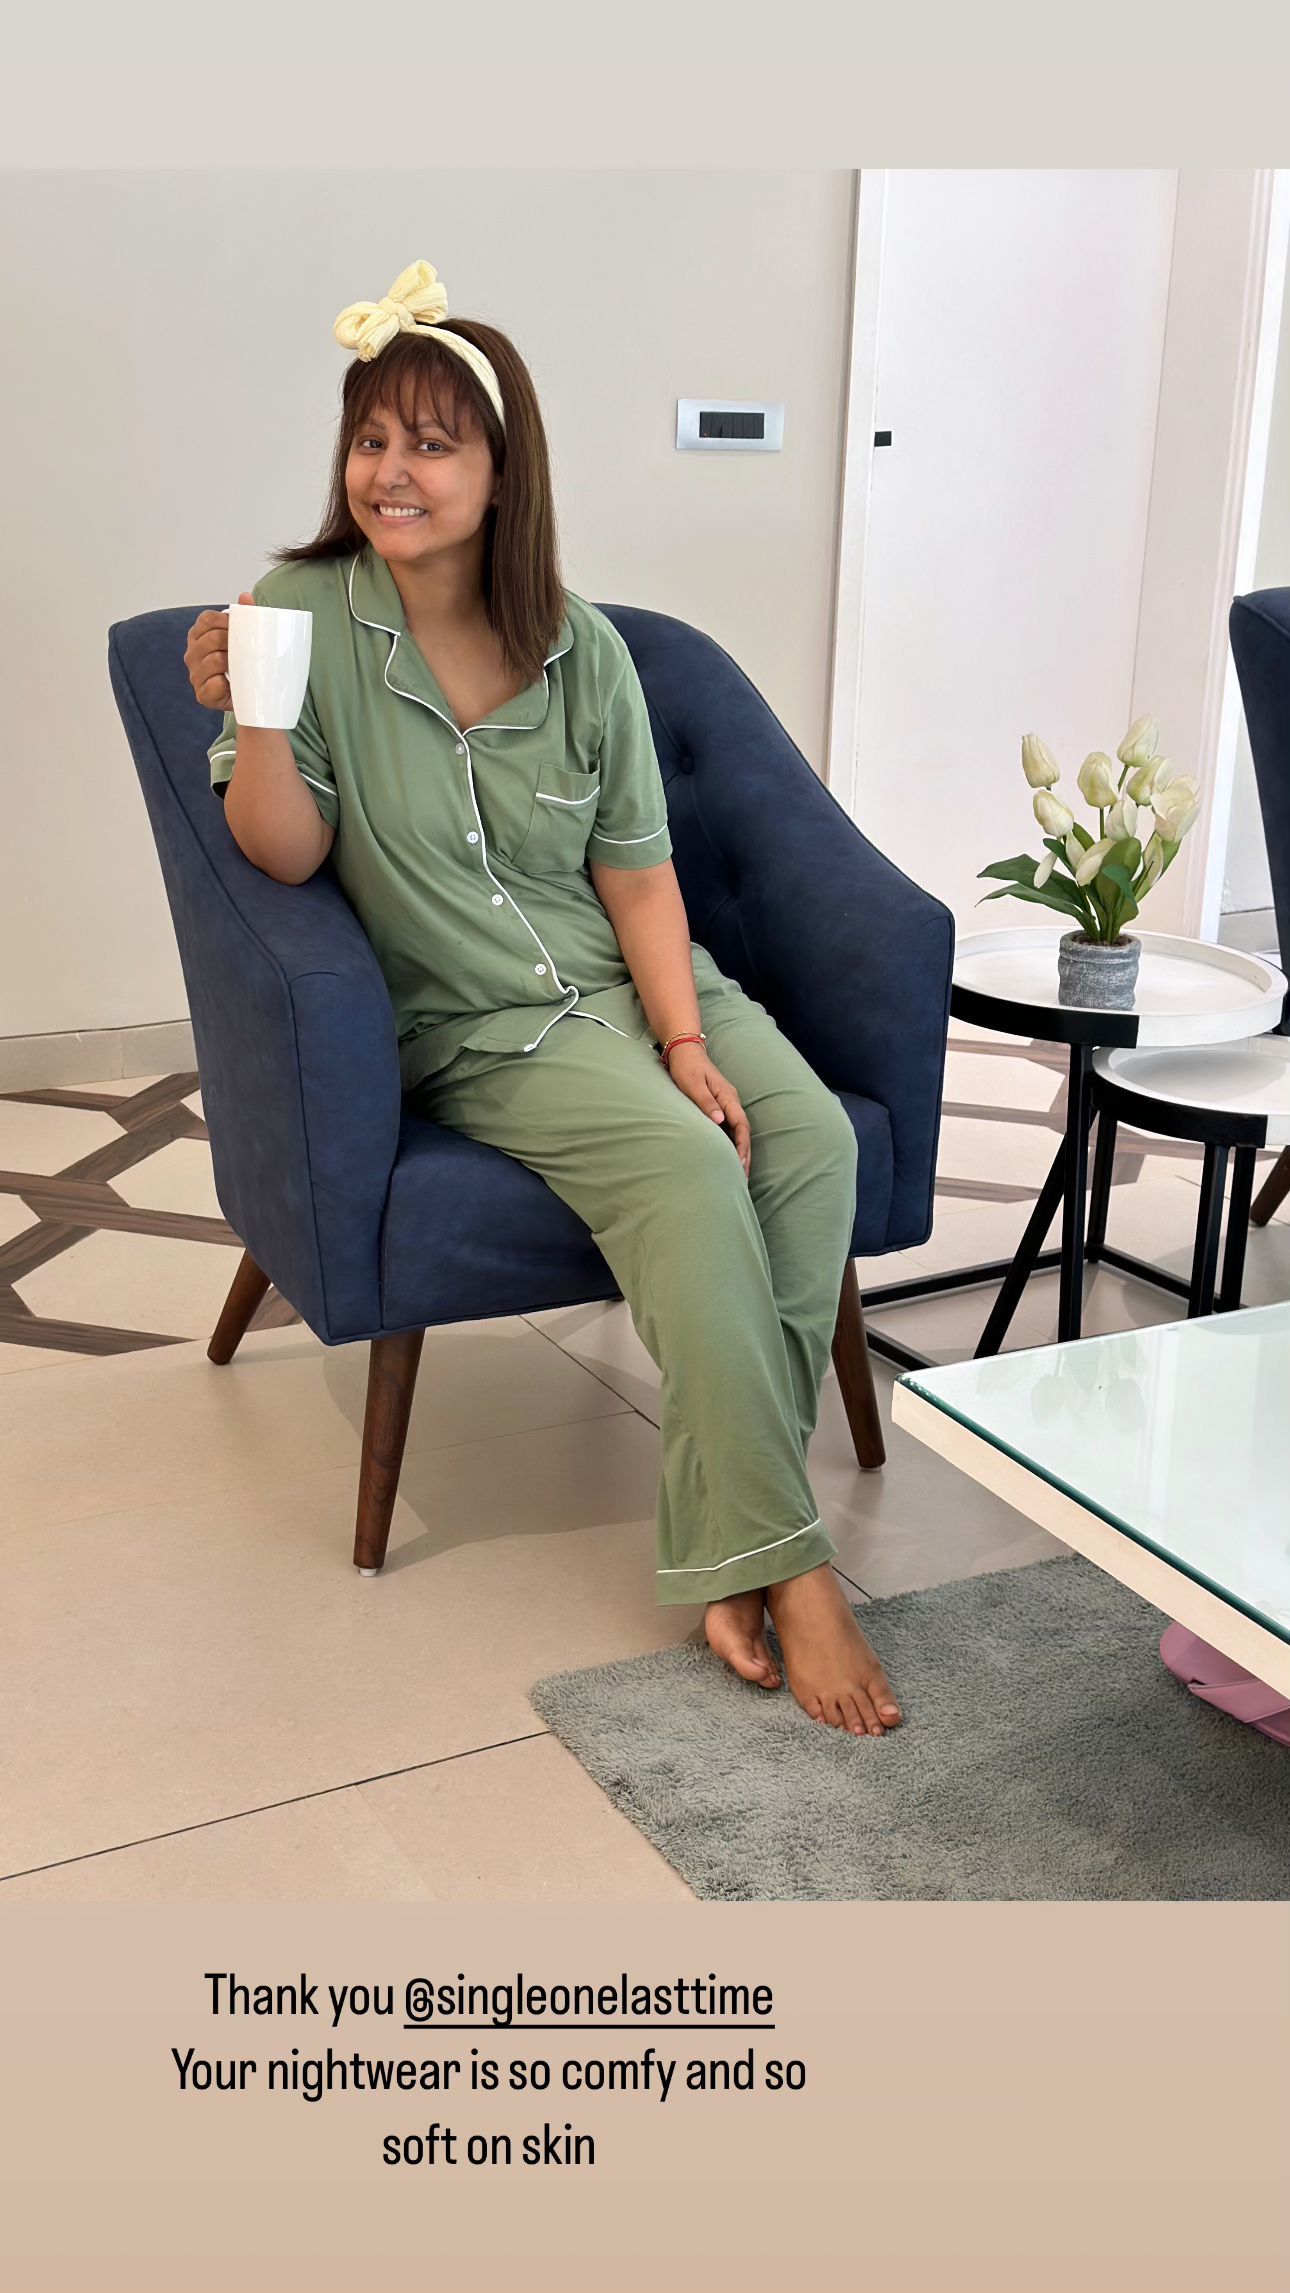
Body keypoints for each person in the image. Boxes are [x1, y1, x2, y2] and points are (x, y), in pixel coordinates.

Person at [184, 259, 902, 1740]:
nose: (392, 471)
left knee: (811, 1140)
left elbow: (638, 876)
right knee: (689, 1170)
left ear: (504, 475)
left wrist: (685, 1036)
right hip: (480, 1023)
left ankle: (733, 1541)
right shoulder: (296, 613)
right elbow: (284, 852)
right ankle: (790, 1564)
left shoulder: (583, 646)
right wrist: (256, 715)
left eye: (432, 444)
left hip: (632, 981)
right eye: (371, 439)